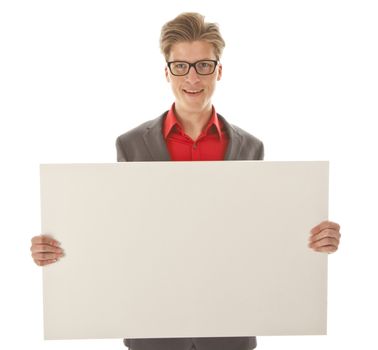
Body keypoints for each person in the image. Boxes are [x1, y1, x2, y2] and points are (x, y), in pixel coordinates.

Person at [30, 12, 341, 350]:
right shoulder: (131, 145)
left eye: (203, 65)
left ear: (219, 71)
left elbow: (258, 233)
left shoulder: (250, 147)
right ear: (167, 72)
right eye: (181, 66)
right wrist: (62, 250)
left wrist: (311, 241)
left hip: (229, 327)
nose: (193, 77)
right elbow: (119, 232)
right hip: (152, 328)